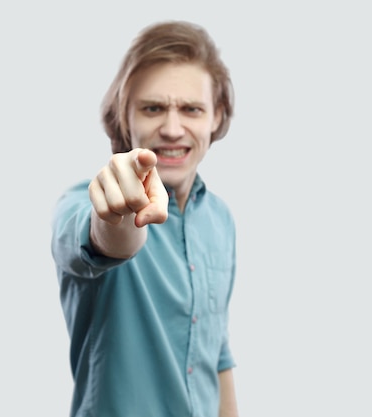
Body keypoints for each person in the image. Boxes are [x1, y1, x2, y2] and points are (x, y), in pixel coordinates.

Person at [51, 20, 239, 417]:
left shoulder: (221, 219)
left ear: (217, 116)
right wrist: (116, 217)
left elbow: (216, 351)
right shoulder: (83, 203)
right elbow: (105, 239)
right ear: (125, 116)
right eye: (153, 108)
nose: (172, 129)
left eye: (191, 109)